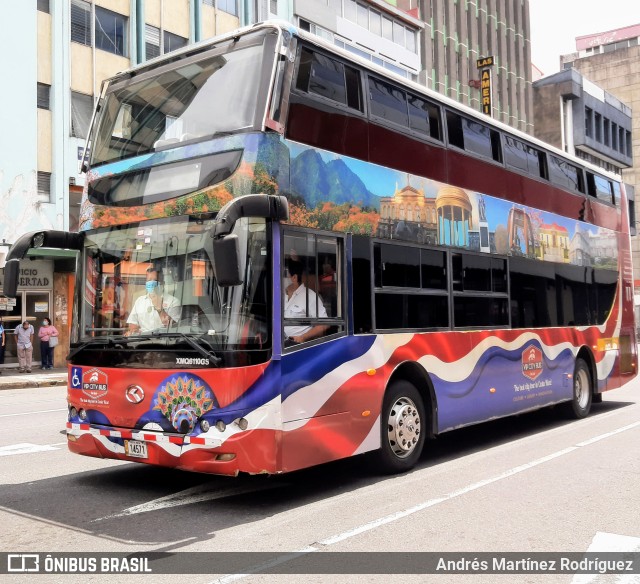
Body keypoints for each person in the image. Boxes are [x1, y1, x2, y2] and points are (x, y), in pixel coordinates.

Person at [284, 259, 328, 344]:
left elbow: (323, 324)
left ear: (294, 277)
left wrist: (302, 338)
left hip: (296, 346)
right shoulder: (280, 295)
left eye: (285, 275)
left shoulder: (310, 296)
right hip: (277, 346)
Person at [126, 267, 181, 335]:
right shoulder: (139, 301)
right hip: (142, 342)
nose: (151, 283)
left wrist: (160, 310)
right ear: (146, 283)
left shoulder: (173, 301)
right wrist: (135, 330)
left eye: (155, 280)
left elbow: (174, 328)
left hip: (164, 342)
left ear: (162, 283)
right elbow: (132, 324)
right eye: (149, 280)